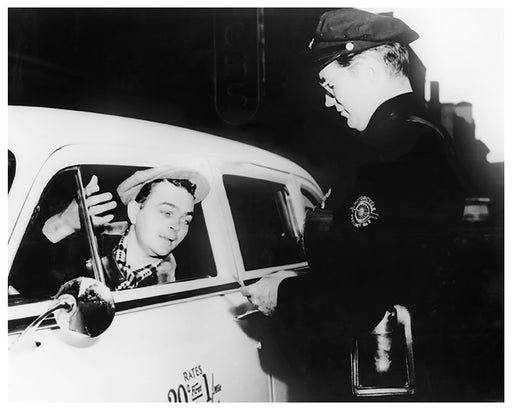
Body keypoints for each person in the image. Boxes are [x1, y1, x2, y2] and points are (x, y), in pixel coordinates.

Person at [241, 8, 469, 399]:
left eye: (330, 85)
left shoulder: (402, 149)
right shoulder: (405, 144)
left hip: (385, 384)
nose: (330, 102)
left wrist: (282, 294)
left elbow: (364, 297)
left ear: (366, 72)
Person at [8, 165, 210, 295]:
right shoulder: (78, 254)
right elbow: (16, 283)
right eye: (167, 212)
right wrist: (61, 225)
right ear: (134, 212)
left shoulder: (191, 283)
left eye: (186, 220)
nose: (177, 225)